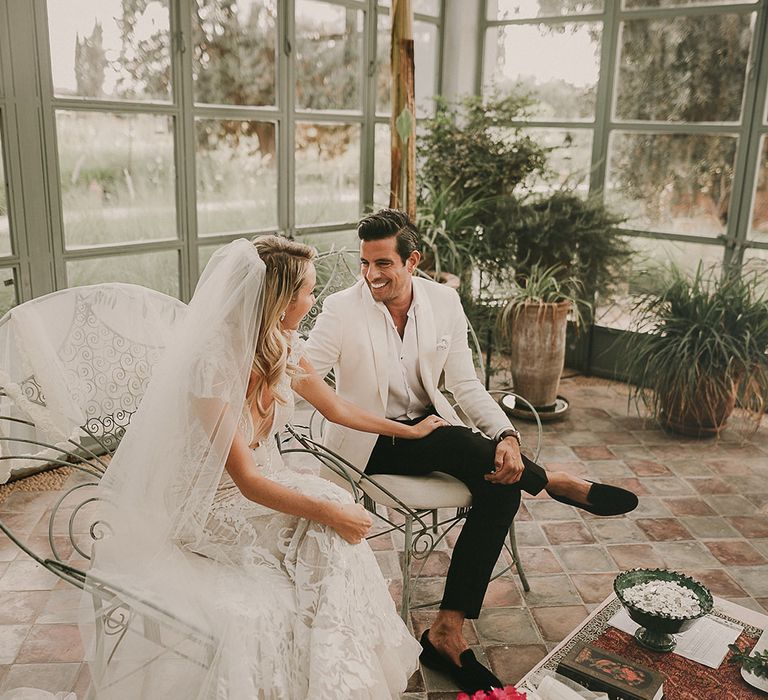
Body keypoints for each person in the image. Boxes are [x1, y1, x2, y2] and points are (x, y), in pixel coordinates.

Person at [84, 236, 449, 699]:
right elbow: (246, 481)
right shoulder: (211, 366)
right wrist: (331, 513)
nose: (313, 301)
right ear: (279, 300)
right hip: (209, 504)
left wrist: (407, 431)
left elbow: (336, 407)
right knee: (330, 520)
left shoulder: (283, 345)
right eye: (308, 292)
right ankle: (336, 681)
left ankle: (334, 675)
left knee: (332, 513)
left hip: (260, 483)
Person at [304, 209, 638, 694]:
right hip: (371, 441)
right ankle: (555, 483)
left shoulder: (443, 301)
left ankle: (447, 630)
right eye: (364, 263)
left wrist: (507, 436)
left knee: (500, 485)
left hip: (433, 429)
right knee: (458, 441)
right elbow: (305, 373)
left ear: (412, 260)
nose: (371, 275)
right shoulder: (340, 309)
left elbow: (463, 383)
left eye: (383, 263)